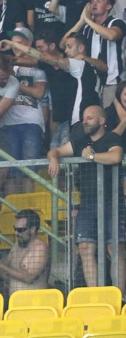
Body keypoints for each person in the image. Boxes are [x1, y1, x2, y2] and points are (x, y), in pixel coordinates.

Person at [48, 104, 125, 289]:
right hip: (88, 203)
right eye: (84, 117)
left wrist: (92, 157)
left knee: (115, 249)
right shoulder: (81, 141)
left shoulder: (111, 137)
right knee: (84, 248)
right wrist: (53, 158)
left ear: (102, 120)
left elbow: (115, 157)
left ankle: (120, 296)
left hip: (112, 202)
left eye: (89, 117)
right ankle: (95, 295)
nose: (84, 121)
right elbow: (56, 150)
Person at [0, 208, 51, 292]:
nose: (16, 233)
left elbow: (30, 278)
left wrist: (2, 266)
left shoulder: (40, 248)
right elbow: (5, 272)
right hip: (14, 301)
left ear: (32, 229)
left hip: (34, 302)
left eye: (20, 230)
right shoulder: (15, 247)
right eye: (15, 229)